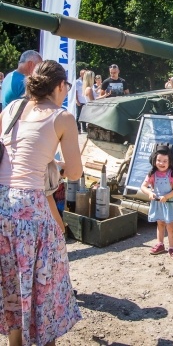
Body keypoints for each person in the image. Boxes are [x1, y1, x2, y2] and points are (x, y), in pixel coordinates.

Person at [0, 59, 83, 345]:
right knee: (44, 284)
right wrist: (57, 165)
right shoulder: (62, 117)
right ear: (60, 86)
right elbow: (74, 172)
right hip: (31, 208)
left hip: (2, 205)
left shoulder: (11, 108)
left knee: (13, 283)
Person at [141, 144, 173, 260]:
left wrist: (167, 196)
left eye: (165, 161)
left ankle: (172, 248)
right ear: (154, 160)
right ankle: (160, 244)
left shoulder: (172, 174)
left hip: (169, 204)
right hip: (158, 204)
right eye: (158, 160)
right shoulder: (152, 174)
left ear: (170, 162)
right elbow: (143, 186)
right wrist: (149, 193)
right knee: (160, 224)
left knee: (171, 227)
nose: (161, 163)